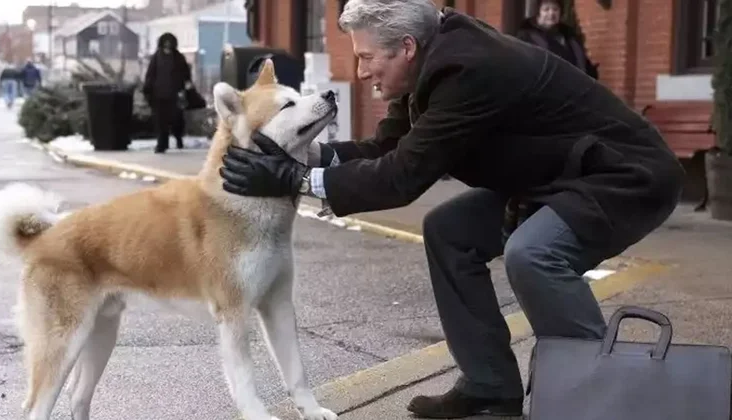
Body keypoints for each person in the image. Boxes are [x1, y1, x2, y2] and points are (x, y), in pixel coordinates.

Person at [218, 1, 683, 418]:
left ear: (405, 47)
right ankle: (489, 386)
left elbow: (403, 176)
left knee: (533, 254)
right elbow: (386, 148)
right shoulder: (428, 63)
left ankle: (599, 396)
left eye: (365, 58)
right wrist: (300, 153)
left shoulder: (468, 69)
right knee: (449, 231)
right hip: (557, 179)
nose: (361, 72)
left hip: (623, 176)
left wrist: (293, 180)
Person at [516, 0, 599, 79]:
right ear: (538, 13)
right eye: (546, 9)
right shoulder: (527, 37)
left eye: (555, 9)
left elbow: (582, 63)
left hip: (574, 87)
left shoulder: (570, 36)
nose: (551, 13)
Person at [142, 32, 193, 153]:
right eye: (165, 42)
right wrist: (147, 89)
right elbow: (150, 74)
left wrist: (187, 87)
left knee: (176, 119)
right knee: (160, 121)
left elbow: (186, 74)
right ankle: (162, 144)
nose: (167, 44)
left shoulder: (179, 57)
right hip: (159, 95)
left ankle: (178, 137)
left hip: (175, 95)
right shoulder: (156, 57)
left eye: (169, 42)